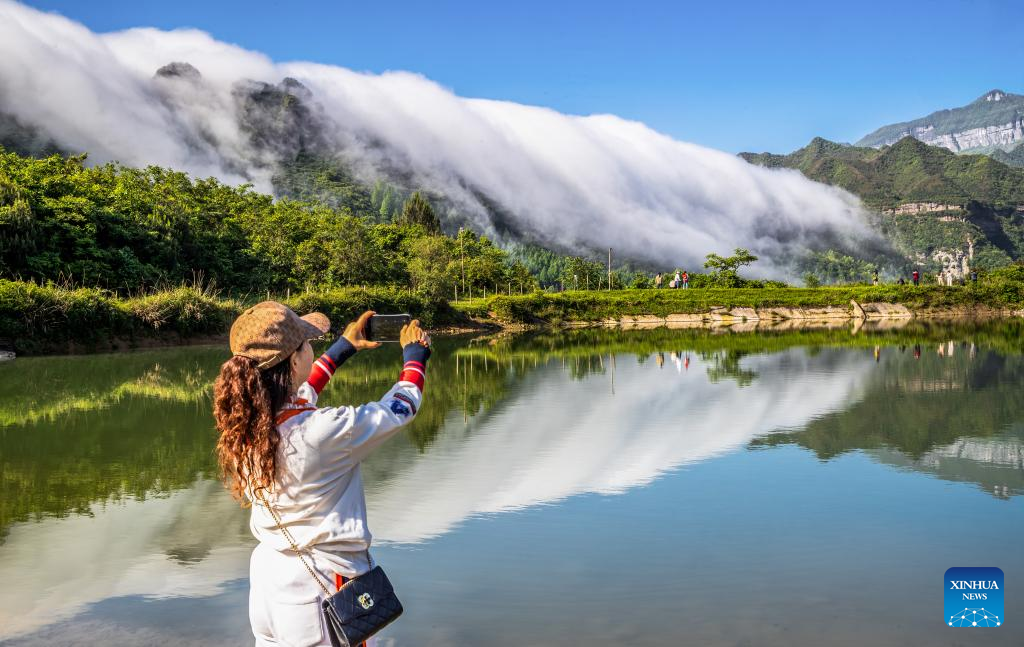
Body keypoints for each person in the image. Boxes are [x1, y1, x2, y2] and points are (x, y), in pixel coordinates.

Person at [213, 303, 431, 647]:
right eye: (306, 343)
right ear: (295, 361)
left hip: (271, 581)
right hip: (321, 587)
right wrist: (415, 356)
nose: (311, 349)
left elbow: (304, 394)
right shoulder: (322, 432)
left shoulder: (247, 424)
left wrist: (344, 347)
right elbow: (400, 408)